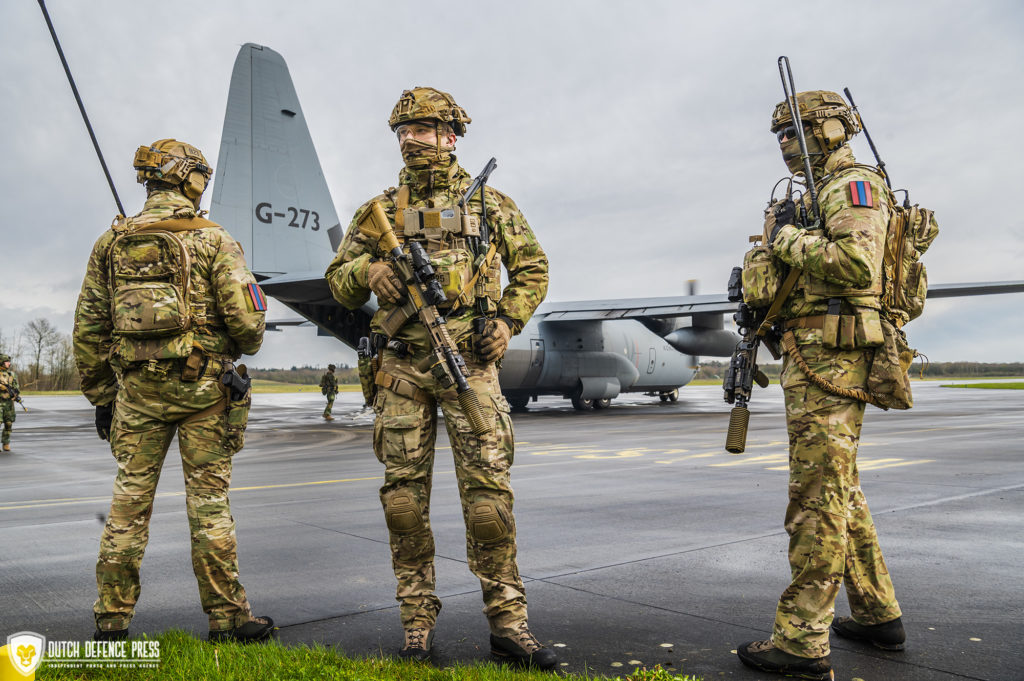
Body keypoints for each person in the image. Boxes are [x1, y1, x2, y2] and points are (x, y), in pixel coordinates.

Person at [325, 87, 554, 668]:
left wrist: (506, 320)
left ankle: (508, 622)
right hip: (402, 368)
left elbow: (532, 268)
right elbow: (337, 279)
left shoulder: (492, 205)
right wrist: (368, 269)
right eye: (403, 130)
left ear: (451, 135)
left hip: (470, 366)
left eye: (423, 129)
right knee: (403, 502)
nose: (410, 139)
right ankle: (417, 625)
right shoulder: (376, 209)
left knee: (488, 502)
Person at [73, 138, 274, 643]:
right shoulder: (214, 239)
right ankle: (228, 618)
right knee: (208, 506)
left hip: (136, 397)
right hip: (204, 393)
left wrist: (102, 397)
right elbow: (248, 327)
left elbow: (89, 329)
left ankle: (111, 622)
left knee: (127, 507)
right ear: (189, 179)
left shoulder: (110, 243)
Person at [736, 92, 905, 680]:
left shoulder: (851, 186)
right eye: (780, 134)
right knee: (839, 487)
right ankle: (878, 613)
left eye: (797, 130)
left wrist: (781, 240)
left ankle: (803, 641)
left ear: (835, 127)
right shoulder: (813, 194)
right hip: (811, 355)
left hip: (832, 359)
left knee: (816, 498)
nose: (786, 143)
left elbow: (858, 263)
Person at [0, 354, 19, 452]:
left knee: (8, 423)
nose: (9, 363)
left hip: (9, 403)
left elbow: (16, 387)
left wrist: (16, 395)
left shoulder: (12, 374)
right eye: (7, 362)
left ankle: (6, 443)